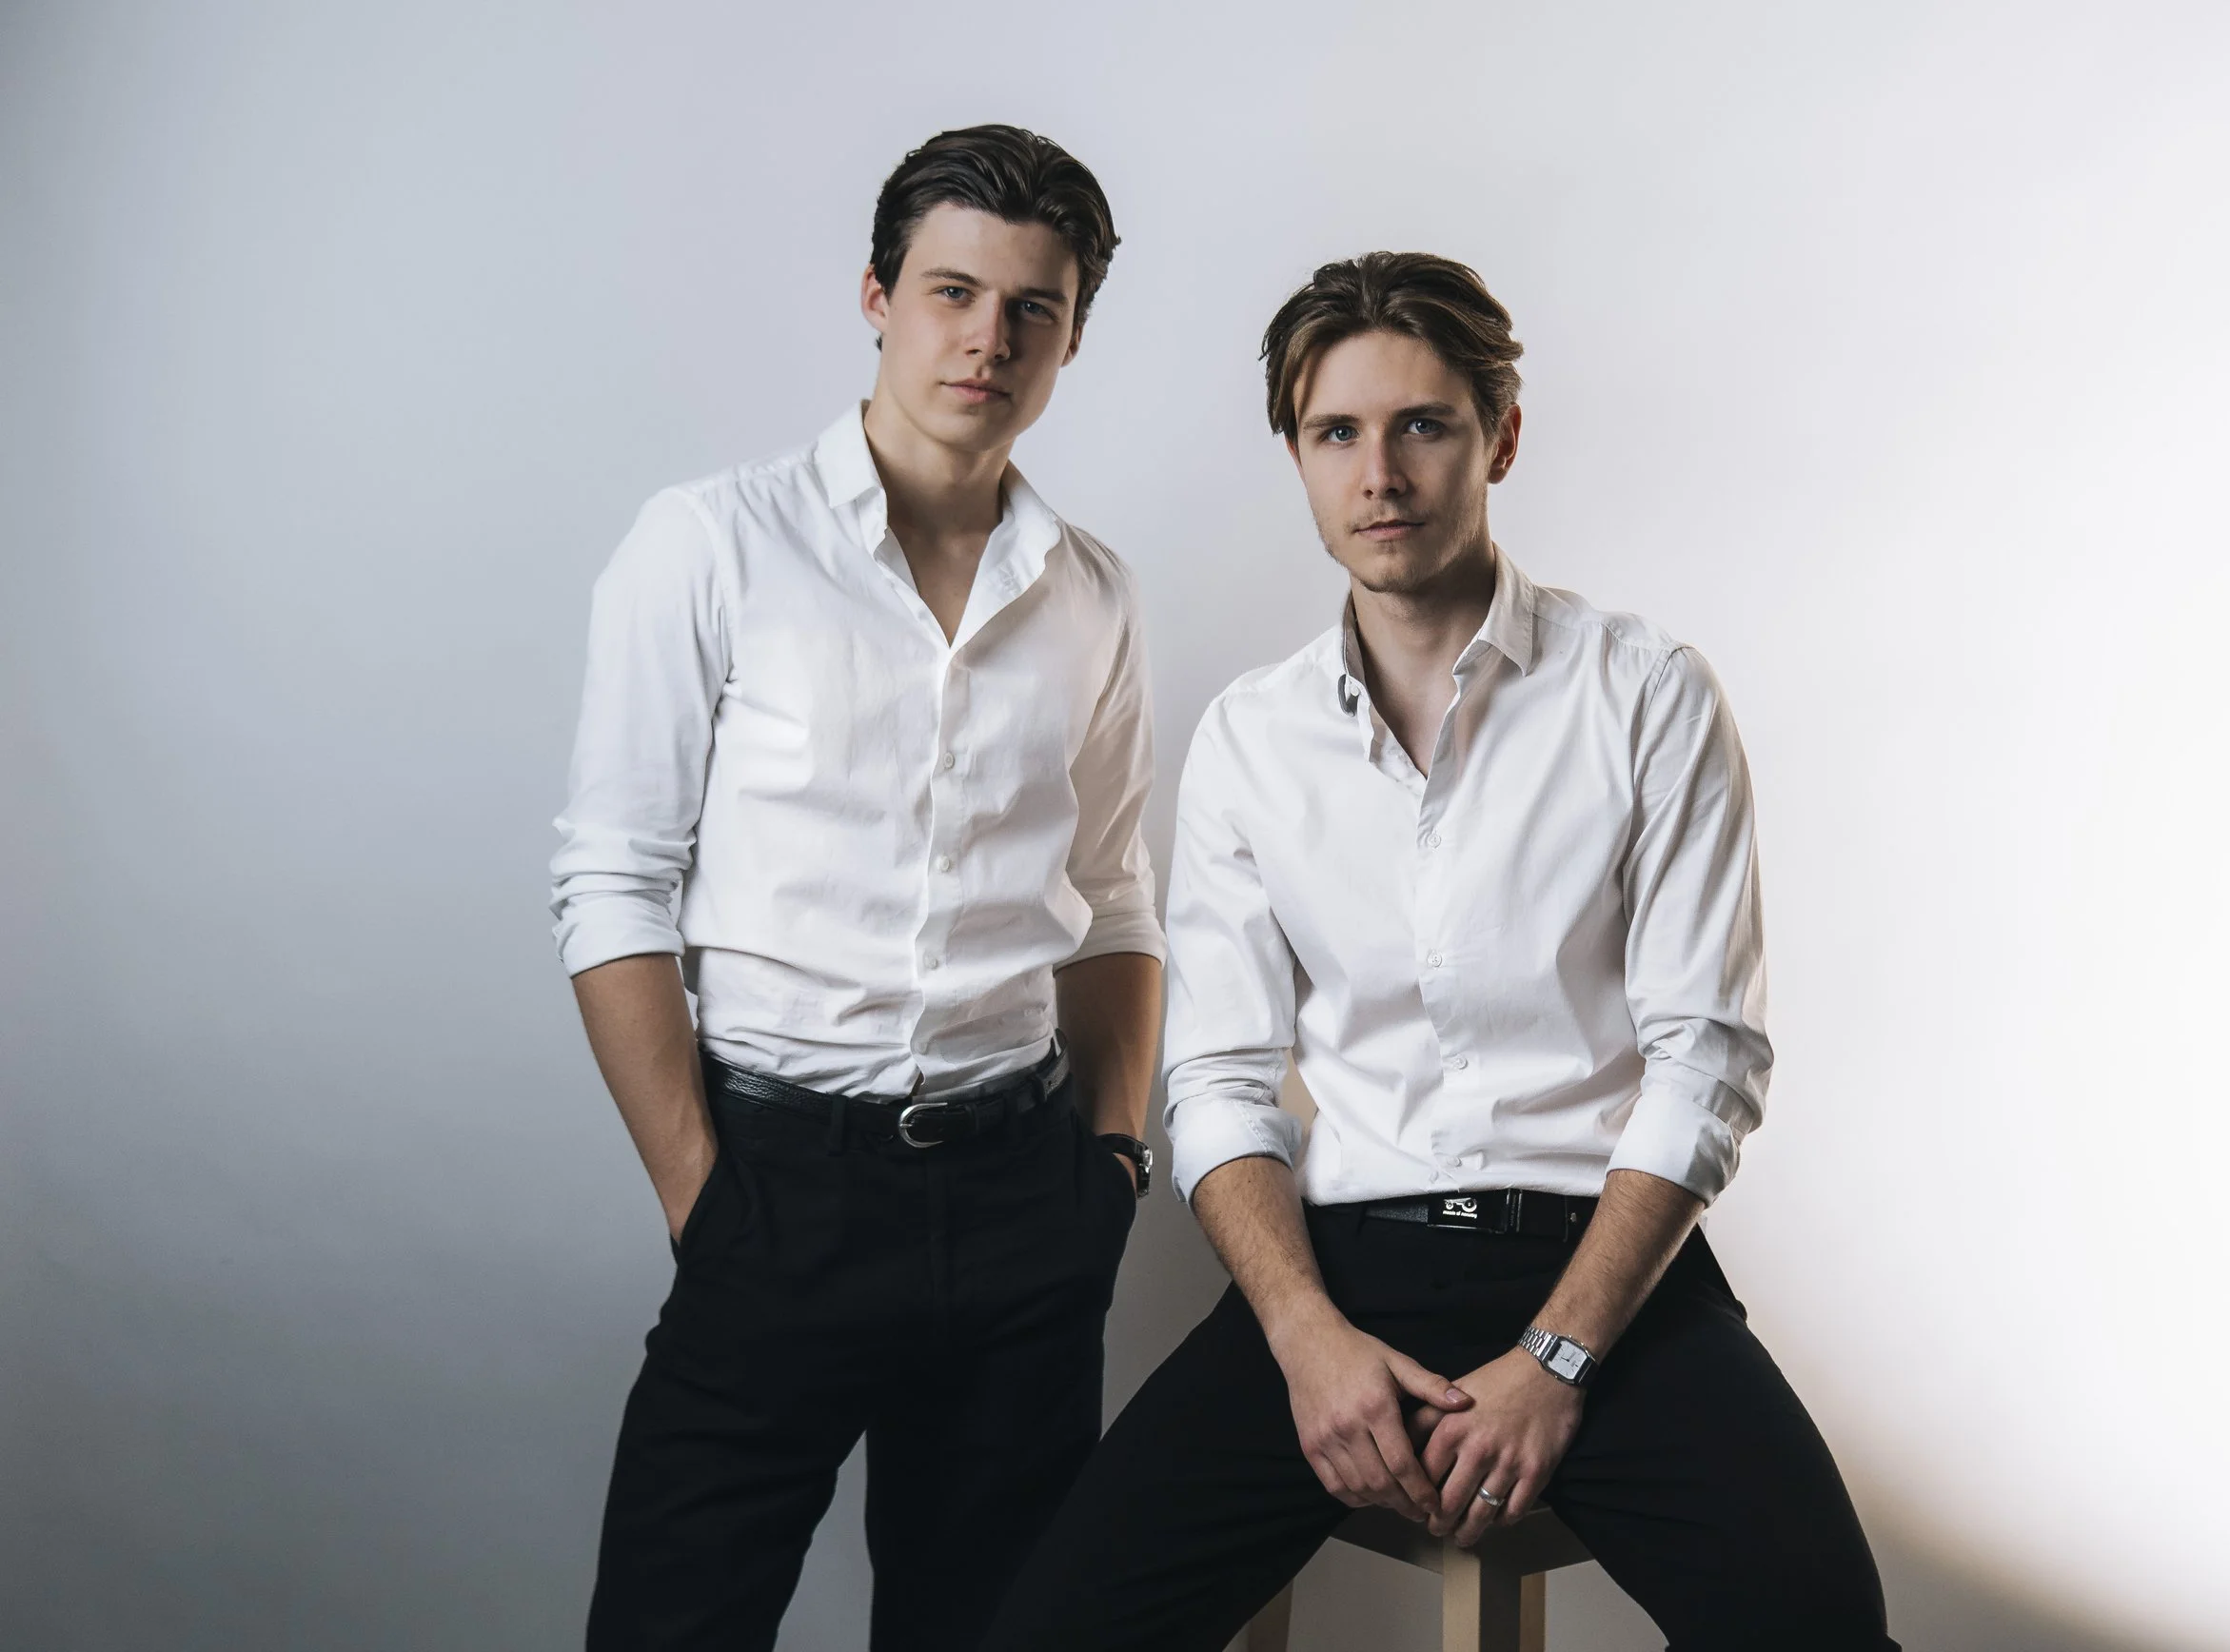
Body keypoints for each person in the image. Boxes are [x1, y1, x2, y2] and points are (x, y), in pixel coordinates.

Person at [980, 251, 1897, 1650]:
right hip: (1341, 1280)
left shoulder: (1645, 694)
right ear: (1295, 453)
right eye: (1337, 433)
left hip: (1605, 1275)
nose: (1380, 474)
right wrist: (1302, 1339)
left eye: (1423, 425)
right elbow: (1221, 1082)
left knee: (1821, 1628)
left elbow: (1703, 1062)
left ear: (1500, 439)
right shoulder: (1250, 738)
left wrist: (1559, 1357)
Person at [549, 124, 1164, 1652]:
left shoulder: (1092, 592)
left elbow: (1116, 896)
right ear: (877, 296)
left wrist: (1110, 1168)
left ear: (1074, 334)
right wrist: (707, 1200)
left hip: (1025, 1197)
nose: (989, 338)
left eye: (1034, 306)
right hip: (779, 1194)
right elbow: (614, 886)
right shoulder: (710, 546)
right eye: (954, 291)